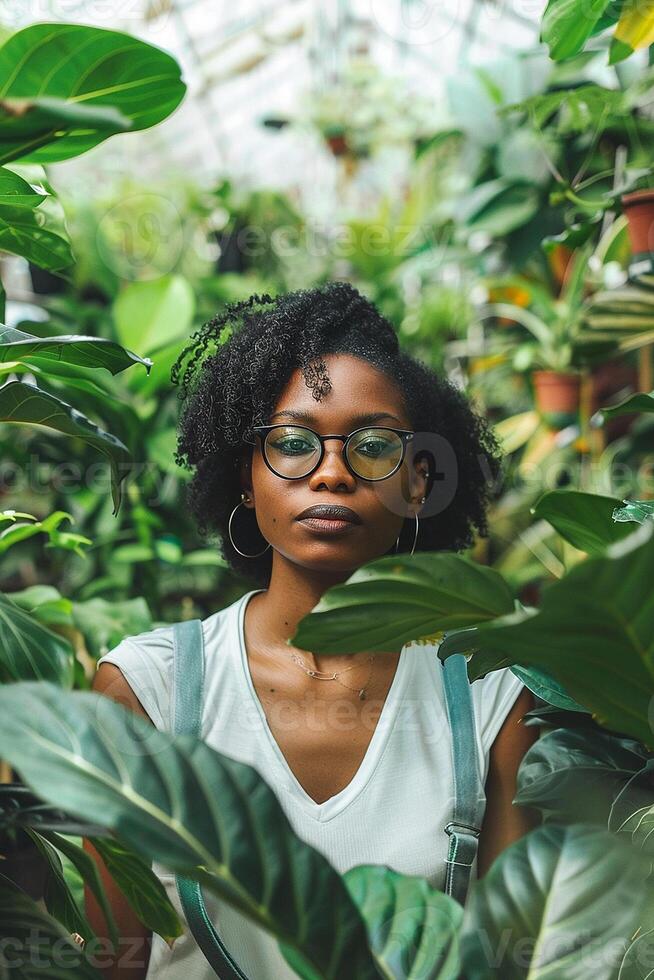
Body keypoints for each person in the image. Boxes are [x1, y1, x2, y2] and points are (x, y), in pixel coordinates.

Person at [84, 282, 539, 978]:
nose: (331, 472)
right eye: (293, 443)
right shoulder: (149, 691)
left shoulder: (491, 698)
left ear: (419, 482)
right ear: (246, 477)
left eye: (373, 445)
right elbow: (111, 960)